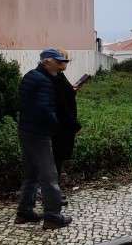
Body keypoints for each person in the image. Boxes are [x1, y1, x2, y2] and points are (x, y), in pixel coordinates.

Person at [15, 48, 70, 229]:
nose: (61, 64)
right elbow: (44, 109)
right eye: (58, 61)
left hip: (25, 130)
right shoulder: (44, 81)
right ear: (46, 61)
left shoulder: (30, 76)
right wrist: (57, 127)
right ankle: (53, 217)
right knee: (49, 176)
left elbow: (23, 104)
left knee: (30, 174)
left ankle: (24, 212)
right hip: (39, 133)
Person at [52, 48, 82, 206]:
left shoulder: (59, 76)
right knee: (55, 162)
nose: (66, 63)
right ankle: (52, 195)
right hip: (61, 128)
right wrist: (76, 125)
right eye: (64, 60)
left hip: (64, 127)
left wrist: (72, 91)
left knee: (58, 161)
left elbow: (65, 96)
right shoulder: (56, 78)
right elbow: (62, 105)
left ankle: (54, 193)